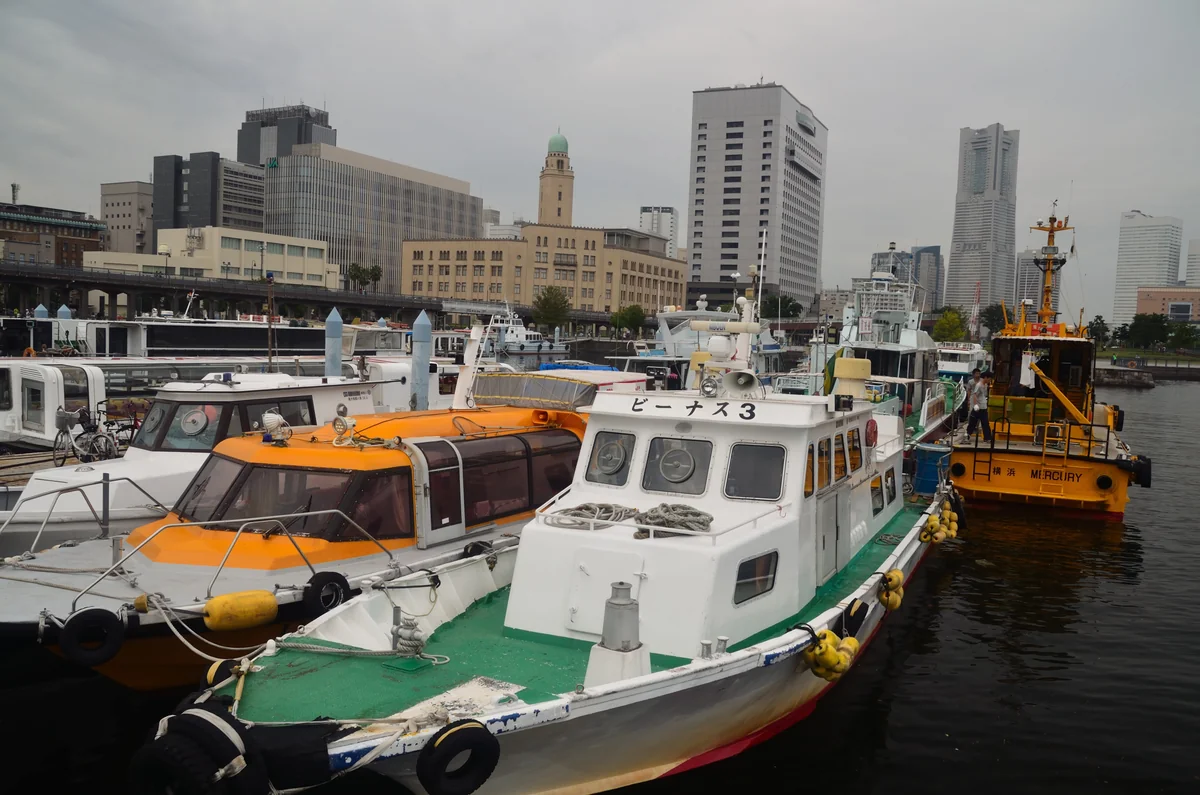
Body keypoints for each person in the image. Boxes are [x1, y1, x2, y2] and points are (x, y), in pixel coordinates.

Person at [966, 368, 992, 442]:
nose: (990, 381)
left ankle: (987, 438)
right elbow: (974, 395)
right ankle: (967, 435)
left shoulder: (985, 385)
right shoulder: (979, 385)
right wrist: (975, 405)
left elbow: (984, 395)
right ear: (986, 378)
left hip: (983, 407)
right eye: (989, 379)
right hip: (978, 408)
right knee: (972, 423)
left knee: (985, 423)